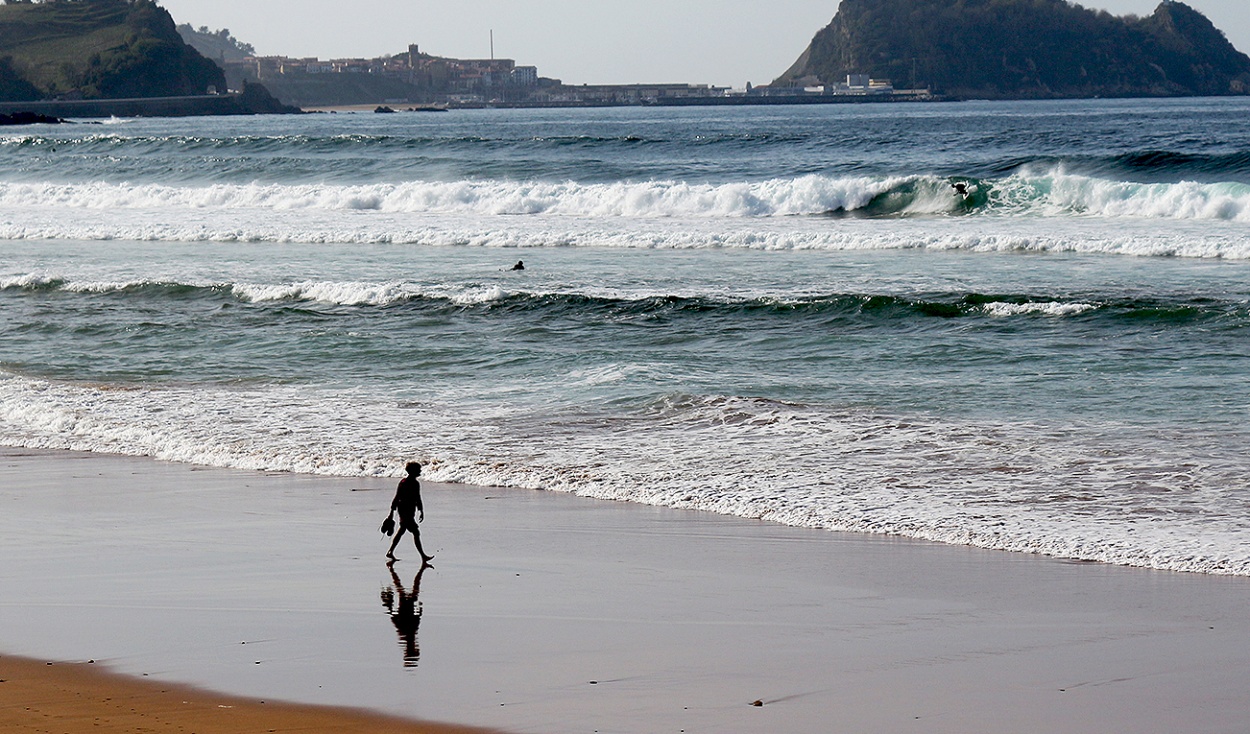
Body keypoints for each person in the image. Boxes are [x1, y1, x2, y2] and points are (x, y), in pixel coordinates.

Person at [386, 462, 433, 564]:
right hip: (405, 510)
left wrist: (420, 510)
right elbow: (398, 496)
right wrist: (391, 511)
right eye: (418, 470)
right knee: (415, 532)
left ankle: (390, 551)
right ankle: (423, 556)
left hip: (407, 509)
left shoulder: (406, 482)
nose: (420, 471)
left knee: (402, 530)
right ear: (413, 471)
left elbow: (417, 498)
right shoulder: (408, 483)